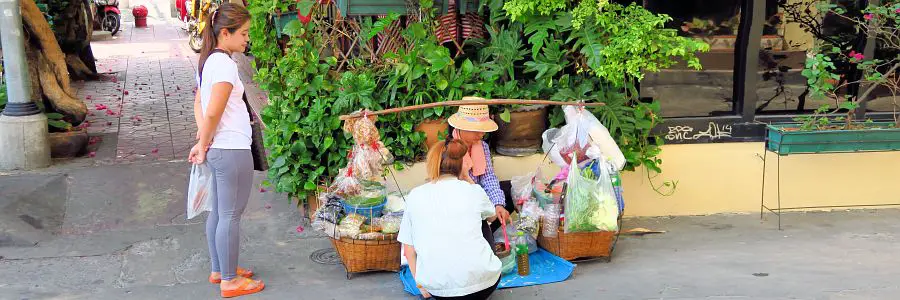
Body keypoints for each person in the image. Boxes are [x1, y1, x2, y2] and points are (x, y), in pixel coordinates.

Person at [188, 3, 263, 298]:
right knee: (230, 215)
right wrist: (203, 143)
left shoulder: (209, 62)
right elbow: (213, 112)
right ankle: (230, 281)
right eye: (243, 33)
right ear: (225, 33)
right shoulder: (224, 65)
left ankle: (220, 269)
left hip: (222, 149)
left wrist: (203, 141)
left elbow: (200, 106)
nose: (246, 39)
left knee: (219, 213)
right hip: (231, 150)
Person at [399, 139, 502, 299]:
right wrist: (468, 178)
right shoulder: (473, 191)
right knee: (482, 220)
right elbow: (492, 216)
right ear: (460, 165)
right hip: (485, 284)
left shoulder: (415, 195)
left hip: (439, 292)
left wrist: (421, 286)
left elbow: (408, 249)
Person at [445, 105, 514, 242]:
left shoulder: (482, 146)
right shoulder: (448, 148)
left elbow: (488, 178)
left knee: (508, 191)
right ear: (462, 128)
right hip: (458, 203)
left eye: (483, 130)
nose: (481, 134)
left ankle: (487, 230)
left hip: (478, 196)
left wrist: (498, 205)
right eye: (477, 130)